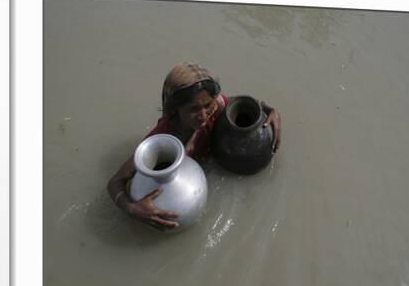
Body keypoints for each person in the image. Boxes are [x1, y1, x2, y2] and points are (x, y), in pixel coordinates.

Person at [107, 63, 282, 229]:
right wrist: (132, 209)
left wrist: (268, 110)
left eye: (207, 105)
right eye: (193, 109)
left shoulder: (216, 106)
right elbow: (115, 182)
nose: (203, 115)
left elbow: (241, 104)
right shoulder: (163, 139)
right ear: (175, 109)